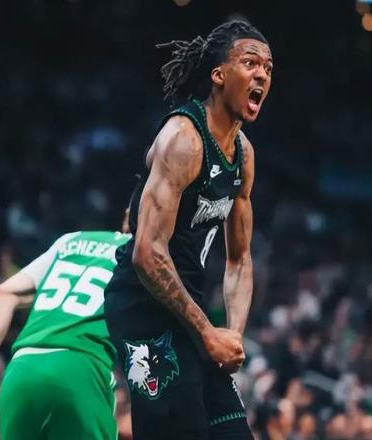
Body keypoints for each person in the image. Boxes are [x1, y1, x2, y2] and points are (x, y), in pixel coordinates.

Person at [104, 20, 273, 439]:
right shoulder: (183, 139)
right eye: (250, 63)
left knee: (234, 432)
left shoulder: (244, 156)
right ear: (219, 75)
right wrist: (207, 332)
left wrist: (232, 334)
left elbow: (239, 260)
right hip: (141, 304)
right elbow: (147, 253)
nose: (262, 75)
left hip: (188, 307)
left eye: (268, 68)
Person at [0, 230, 131, 440]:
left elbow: (3, 294)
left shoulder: (71, 240)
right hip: (81, 366)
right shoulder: (144, 254)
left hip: (21, 369)